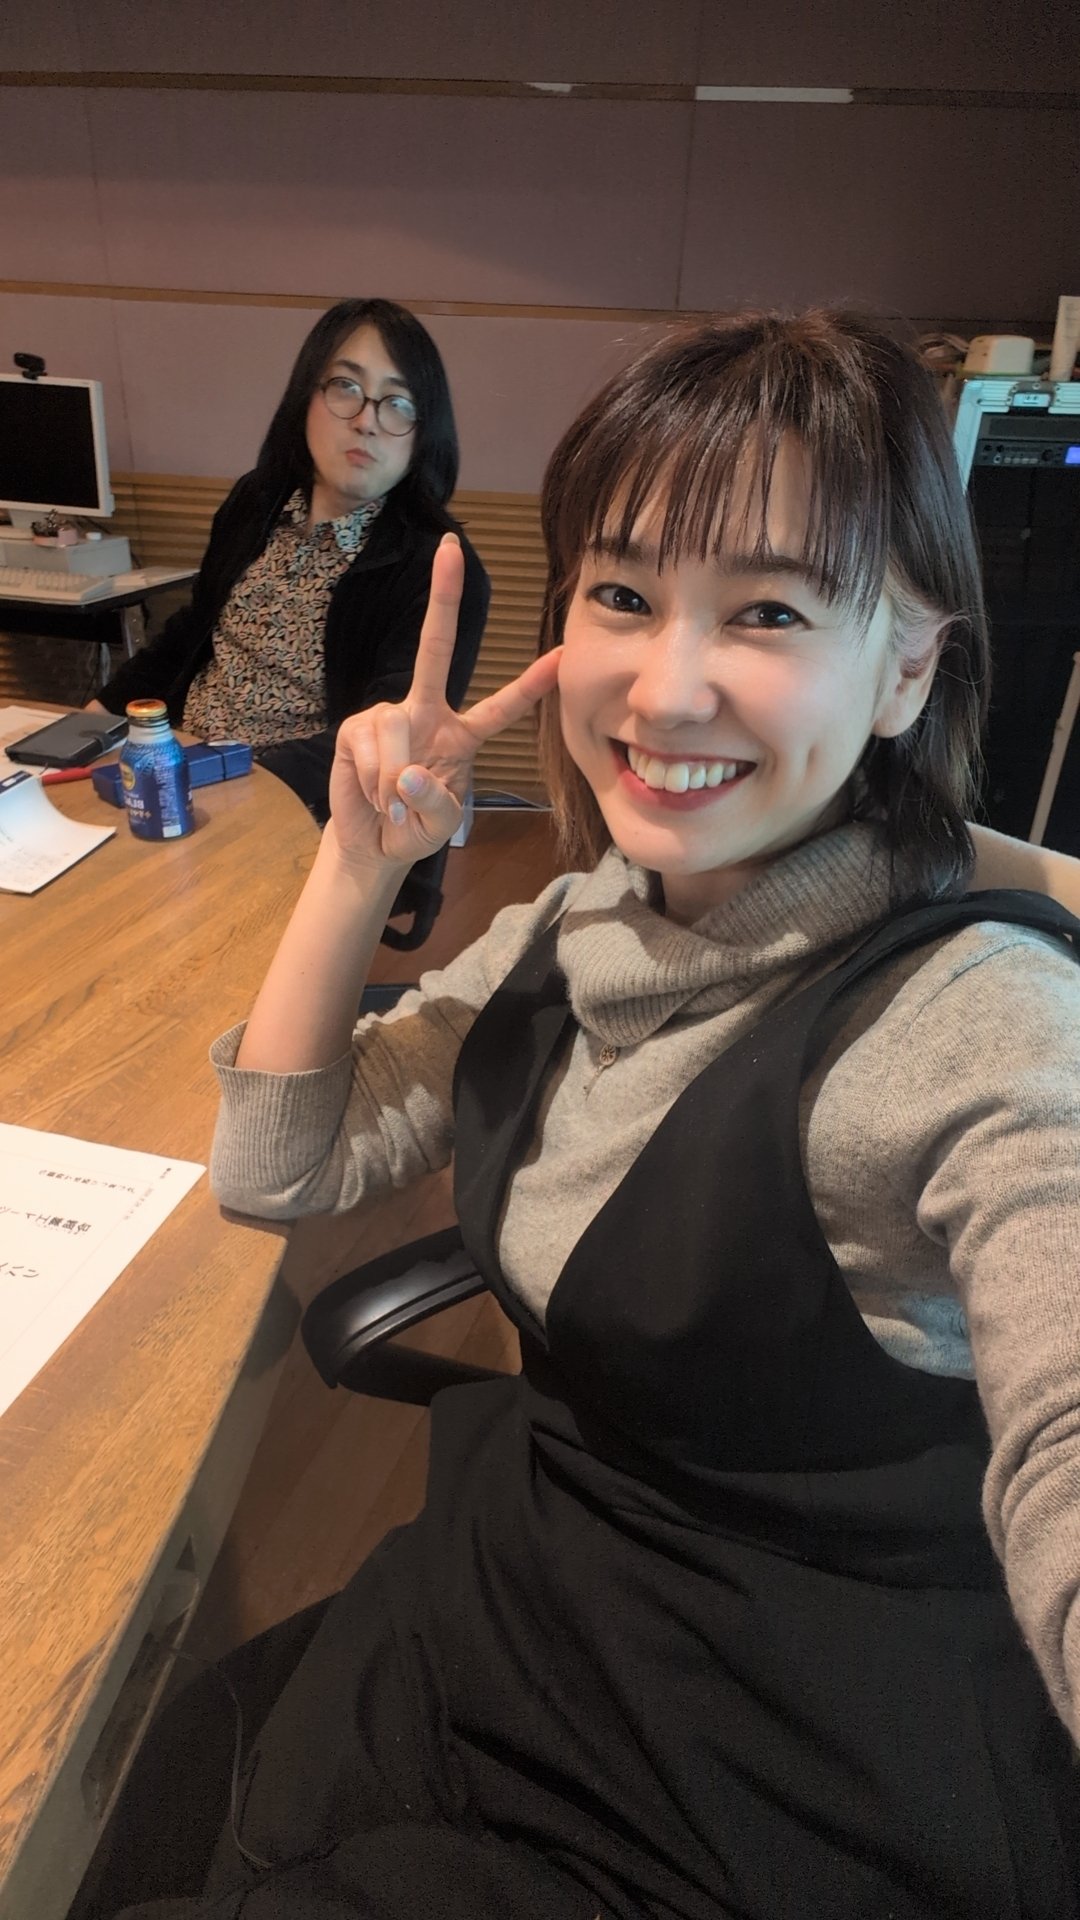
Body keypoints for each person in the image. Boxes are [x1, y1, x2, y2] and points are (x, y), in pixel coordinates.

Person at [88, 311, 1080, 1920]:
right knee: (156, 1805)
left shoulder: (975, 1024)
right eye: (624, 595)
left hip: (762, 1780)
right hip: (517, 1603)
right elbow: (280, 1168)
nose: (667, 690)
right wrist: (355, 862)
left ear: (908, 667)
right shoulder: (585, 923)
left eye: (768, 610)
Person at [88, 298, 490, 825]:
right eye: (346, 386)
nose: (366, 421)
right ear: (306, 396)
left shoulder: (438, 567)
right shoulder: (257, 502)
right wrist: (97, 717)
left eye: (398, 402)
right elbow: (193, 633)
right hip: (183, 769)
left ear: (423, 430)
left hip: (307, 808)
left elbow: (390, 734)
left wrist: (235, 784)